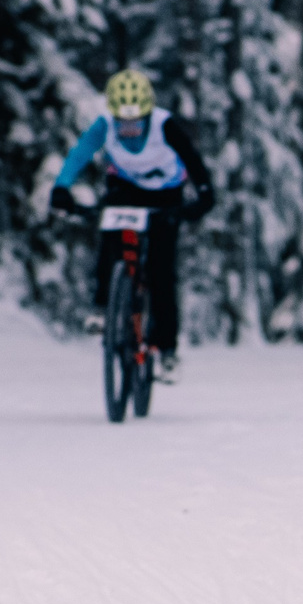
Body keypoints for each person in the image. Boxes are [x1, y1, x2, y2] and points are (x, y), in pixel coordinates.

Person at [51, 69, 218, 376]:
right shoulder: (104, 126)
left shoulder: (164, 125)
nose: (128, 128)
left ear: (147, 113)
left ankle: (166, 350)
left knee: (161, 271)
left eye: (135, 121)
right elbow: (80, 154)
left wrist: (204, 195)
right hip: (125, 189)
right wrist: (61, 187)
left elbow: (193, 159)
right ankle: (103, 306)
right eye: (122, 122)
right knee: (110, 238)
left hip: (166, 194)